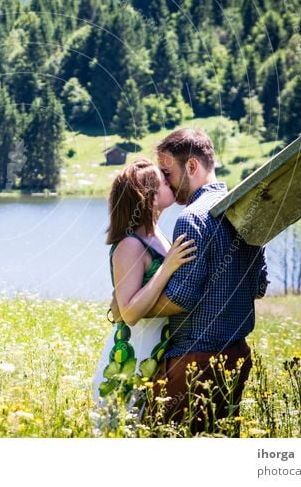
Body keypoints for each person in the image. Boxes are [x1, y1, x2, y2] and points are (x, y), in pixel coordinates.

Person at [111, 128, 268, 434]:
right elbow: (259, 286)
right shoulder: (244, 208)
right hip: (237, 354)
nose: (165, 182)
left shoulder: (193, 217)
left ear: (192, 166)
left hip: (194, 359)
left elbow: (180, 298)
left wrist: (127, 308)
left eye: (168, 173)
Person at [92, 158, 197, 413]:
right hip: (128, 363)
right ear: (149, 197)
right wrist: (168, 267)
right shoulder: (130, 245)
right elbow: (128, 314)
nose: (170, 181)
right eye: (163, 180)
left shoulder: (156, 235)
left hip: (153, 356)